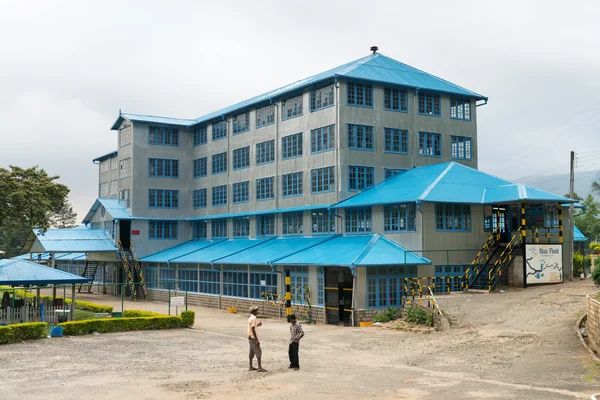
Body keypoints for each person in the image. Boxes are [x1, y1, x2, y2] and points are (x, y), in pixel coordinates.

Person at [248, 305, 266, 372]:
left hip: (250, 337)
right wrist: (256, 339)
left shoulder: (250, 318)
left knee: (251, 351)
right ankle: (259, 367)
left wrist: (257, 325)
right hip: (253, 337)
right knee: (258, 351)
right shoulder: (253, 318)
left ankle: (250, 366)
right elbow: (253, 329)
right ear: (254, 311)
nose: (257, 311)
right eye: (256, 310)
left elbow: (253, 327)